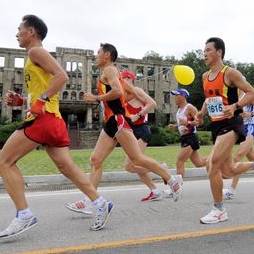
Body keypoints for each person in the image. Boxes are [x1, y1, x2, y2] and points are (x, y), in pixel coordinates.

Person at [0, 15, 112, 239]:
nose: (17, 33)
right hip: (54, 119)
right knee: (67, 167)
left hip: (44, 119)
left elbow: (62, 76)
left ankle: (24, 214)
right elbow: (46, 87)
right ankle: (100, 203)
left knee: (4, 162)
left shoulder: (35, 51)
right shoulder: (36, 56)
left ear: (32, 32)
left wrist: (40, 101)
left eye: (20, 29)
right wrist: (23, 102)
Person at [65, 43, 183, 215]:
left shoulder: (109, 70)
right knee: (96, 160)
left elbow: (119, 92)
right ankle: (91, 201)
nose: (96, 56)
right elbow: (129, 91)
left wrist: (96, 98)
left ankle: (172, 180)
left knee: (137, 159)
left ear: (107, 55)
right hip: (111, 122)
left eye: (98, 53)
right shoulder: (113, 73)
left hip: (118, 120)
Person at [194, 37, 254, 224]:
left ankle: (219, 210)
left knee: (211, 165)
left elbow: (253, 93)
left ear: (219, 52)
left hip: (231, 124)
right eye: (203, 50)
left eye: (208, 50)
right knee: (227, 171)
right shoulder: (205, 77)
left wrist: (236, 106)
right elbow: (209, 99)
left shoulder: (230, 73)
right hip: (216, 125)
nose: (204, 53)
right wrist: (201, 114)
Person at [119, 70, 165, 202]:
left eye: (123, 79)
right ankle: (155, 190)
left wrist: (138, 115)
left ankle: (161, 170)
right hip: (131, 132)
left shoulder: (136, 90)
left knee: (130, 165)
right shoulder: (123, 95)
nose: (121, 81)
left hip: (141, 130)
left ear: (130, 78)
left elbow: (152, 104)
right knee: (135, 166)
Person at [167, 88, 207, 181]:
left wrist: (187, 123)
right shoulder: (179, 110)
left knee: (179, 161)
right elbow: (183, 123)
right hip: (185, 137)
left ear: (183, 96)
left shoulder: (190, 107)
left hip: (191, 137)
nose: (175, 98)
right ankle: (217, 159)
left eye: (177, 95)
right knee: (198, 163)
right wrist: (175, 126)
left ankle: (177, 187)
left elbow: (199, 122)